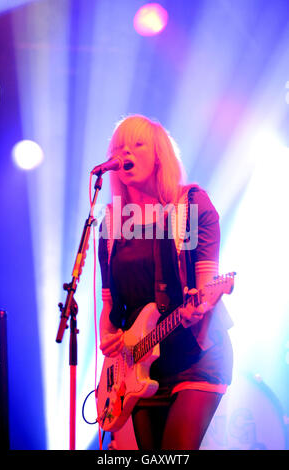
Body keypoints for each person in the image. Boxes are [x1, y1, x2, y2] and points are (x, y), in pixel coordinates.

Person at [98, 114, 233, 450]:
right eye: (118, 147)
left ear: (159, 154)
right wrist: (108, 340)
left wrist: (198, 308)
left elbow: (206, 287)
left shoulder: (191, 206)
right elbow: (110, 305)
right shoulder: (112, 225)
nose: (124, 152)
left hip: (196, 356)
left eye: (137, 144)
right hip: (139, 367)